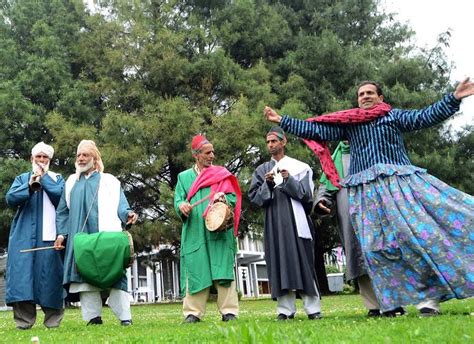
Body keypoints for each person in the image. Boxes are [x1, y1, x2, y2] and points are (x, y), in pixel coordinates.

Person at [264, 78, 474, 315]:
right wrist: (282, 120)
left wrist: (453, 98)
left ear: (380, 98)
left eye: (370, 93)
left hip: (397, 188)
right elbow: (315, 129)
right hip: (365, 195)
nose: (365, 96)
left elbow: (424, 116)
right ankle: (390, 304)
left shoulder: (393, 117)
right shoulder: (349, 124)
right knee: (376, 248)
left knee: (411, 239)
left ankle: (428, 302)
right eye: (361, 94)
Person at [54, 140, 138, 326]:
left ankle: (125, 318)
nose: (81, 158)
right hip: (80, 241)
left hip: (106, 238)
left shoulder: (110, 180)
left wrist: (128, 214)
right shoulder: (70, 183)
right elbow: (62, 212)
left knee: (116, 277)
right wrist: (61, 235)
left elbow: (121, 205)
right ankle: (93, 318)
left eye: (85, 155)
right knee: (84, 278)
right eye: (78, 155)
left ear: (95, 158)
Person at [314, 141, 397, 317]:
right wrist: (321, 202)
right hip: (349, 217)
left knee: (382, 255)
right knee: (359, 259)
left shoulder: (371, 149)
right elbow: (326, 187)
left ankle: (393, 304)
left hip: (374, 213)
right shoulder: (334, 158)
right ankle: (373, 306)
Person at [248, 127, 322, 320]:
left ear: (284, 142)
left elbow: (306, 196)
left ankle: (313, 309)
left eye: (274, 141)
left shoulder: (301, 167)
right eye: (268, 142)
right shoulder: (262, 170)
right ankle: (285, 310)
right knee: (279, 262)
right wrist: (269, 185)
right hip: (274, 224)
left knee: (304, 262)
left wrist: (287, 179)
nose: (271, 145)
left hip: (297, 223)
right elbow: (255, 199)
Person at [174, 134, 242, 323]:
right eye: (207, 152)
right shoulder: (184, 177)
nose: (212, 155)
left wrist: (224, 200)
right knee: (196, 267)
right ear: (196, 155)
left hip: (219, 232)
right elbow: (178, 199)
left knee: (223, 269)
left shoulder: (221, 174)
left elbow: (234, 198)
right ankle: (192, 313)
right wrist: (182, 206)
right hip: (195, 230)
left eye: (213, 152)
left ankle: (229, 311)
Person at [5, 142, 65, 329]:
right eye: (38, 157)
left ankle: (53, 321)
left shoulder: (57, 178)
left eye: (44, 157)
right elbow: (10, 199)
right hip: (23, 234)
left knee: (50, 276)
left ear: (49, 160)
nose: (41, 161)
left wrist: (44, 179)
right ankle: (23, 322)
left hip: (49, 237)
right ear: (31, 158)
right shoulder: (22, 178)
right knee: (22, 278)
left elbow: (62, 198)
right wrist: (30, 186)